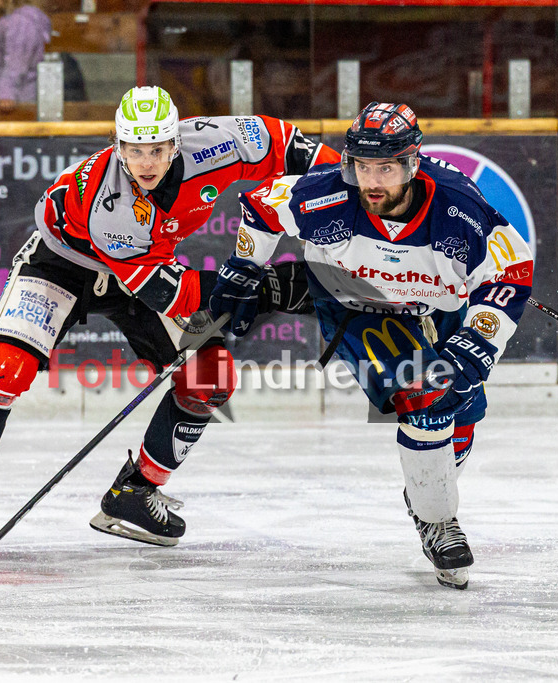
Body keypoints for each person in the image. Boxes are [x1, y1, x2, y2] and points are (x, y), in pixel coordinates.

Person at [0, 85, 339, 557]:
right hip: (62, 263)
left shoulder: (216, 142)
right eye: (134, 150)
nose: (147, 163)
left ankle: (135, 492)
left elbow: (289, 144)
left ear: (176, 141)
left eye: (157, 148)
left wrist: (347, 192)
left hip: (144, 264)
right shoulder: (109, 207)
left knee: (211, 377)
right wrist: (269, 289)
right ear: (118, 147)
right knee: (1, 370)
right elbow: (170, 294)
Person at [208, 102, 534, 589]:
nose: (372, 180)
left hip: (438, 310)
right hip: (360, 312)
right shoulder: (323, 194)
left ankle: (427, 493)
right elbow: (261, 206)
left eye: (385, 166)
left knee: (461, 406)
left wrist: (478, 341)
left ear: (411, 162)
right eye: (363, 166)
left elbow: (511, 268)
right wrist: (243, 266)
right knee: (425, 397)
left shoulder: (457, 206)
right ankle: (438, 520)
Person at [0, 0, 50, 113]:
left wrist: (6, 94)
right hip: (17, 96)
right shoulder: (16, 20)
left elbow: (16, 62)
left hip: (16, 101)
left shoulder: (20, 22)